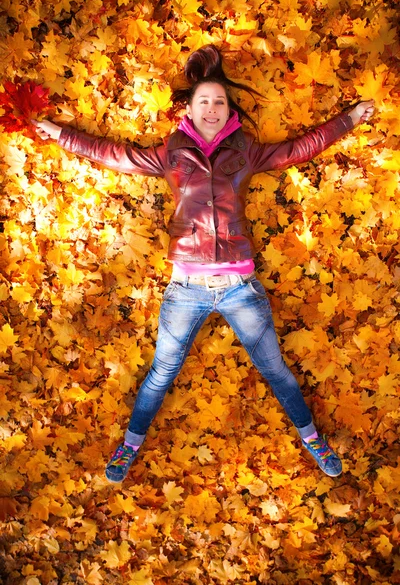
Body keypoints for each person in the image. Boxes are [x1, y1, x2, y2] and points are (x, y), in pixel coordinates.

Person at [33, 45, 375, 484]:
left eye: (219, 101)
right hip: (186, 287)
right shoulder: (171, 154)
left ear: (228, 109)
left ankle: (311, 438)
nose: (212, 108)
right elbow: (113, 154)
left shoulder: (245, 151)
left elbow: (298, 148)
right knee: (161, 373)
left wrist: (348, 120)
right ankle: (130, 445)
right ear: (189, 110)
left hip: (239, 287)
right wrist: (60, 134)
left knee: (275, 369)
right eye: (204, 102)